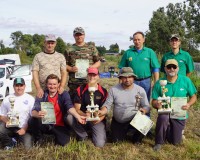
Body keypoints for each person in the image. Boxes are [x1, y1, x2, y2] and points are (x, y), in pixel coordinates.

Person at [152, 59, 197, 151]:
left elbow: (194, 97)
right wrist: (156, 104)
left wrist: (188, 104)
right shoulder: (160, 82)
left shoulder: (186, 80)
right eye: (169, 67)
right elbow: (153, 101)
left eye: (174, 67)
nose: (171, 69)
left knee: (176, 141)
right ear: (165, 69)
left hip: (179, 114)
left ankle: (169, 130)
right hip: (165, 112)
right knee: (163, 117)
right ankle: (159, 142)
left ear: (178, 68)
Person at [29, 74, 85, 146]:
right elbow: (34, 110)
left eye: (54, 84)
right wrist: (37, 114)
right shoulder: (42, 94)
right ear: (46, 84)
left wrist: (77, 116)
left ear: (58, 84)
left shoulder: (64, 94)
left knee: (64, 143)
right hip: (46, 124)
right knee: (32, 120)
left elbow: (69, 106)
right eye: (50, 84)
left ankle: (57, 136)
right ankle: (38, 139)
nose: (52, 86)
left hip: (60, 125)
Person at [99, 67, 150, 143]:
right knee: (116, 141)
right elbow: (107, 104)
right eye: (124, 77)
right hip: (119, 121)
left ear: (133, 78)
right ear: (121, 78)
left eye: (130, 77)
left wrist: (144, 110)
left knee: (146, 123)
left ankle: (136, 139)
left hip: (134, 118)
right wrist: (102, 111)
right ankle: (122, 133)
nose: (127, 80)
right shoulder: (114, 89)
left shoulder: (140, 90)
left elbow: (147, 106)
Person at [66, 67, 107, 147]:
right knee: (69, 117)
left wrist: (99, 118)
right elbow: (77, 109)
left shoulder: (103, 91)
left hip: (97, 119)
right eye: (90, 75)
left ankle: (94, 131)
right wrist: (85, 115)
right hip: (83, 118)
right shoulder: (80, 90)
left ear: (98, 76)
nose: (92, 77)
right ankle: (83, 135)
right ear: (87, 76)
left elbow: (105, 110)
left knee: (100, 144)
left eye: (94, 75)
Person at [118, 31, 160, 102]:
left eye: (139, 39)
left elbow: (155, 68)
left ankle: (146, 113)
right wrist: (120, 83)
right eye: (135, 40)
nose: (137, 41)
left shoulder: (150, 52)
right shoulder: (128, 53)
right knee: (132, 102)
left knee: (145, 102)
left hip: (146, 81)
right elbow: (122, 69)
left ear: (143, 40)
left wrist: (156, 83)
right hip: (132, 81)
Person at [64, 27, 101, 100]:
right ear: (74, 36)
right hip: (74, 84)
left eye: (80, 34)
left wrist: (92, 67)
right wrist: (71, 68)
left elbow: (98, 62)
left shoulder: (91, 48)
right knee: (74, 105)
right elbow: (64, 65)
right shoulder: (69, 49)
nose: (79, 36)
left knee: (89, 103)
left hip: (89, 82)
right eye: (77, 35)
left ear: (84, 35)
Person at [0, 78, 35, 150]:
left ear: (24, 86)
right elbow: (1, 115)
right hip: (10, 127)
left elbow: (32, 118)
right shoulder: (7, 99)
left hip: (24, 127)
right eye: (17, 85)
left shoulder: (30, 99)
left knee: (27, 147)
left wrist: (24, 129)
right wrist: (7, 121)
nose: (19, 88)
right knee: (0, 129)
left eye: (21, 85)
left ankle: (16, 139)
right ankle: (9, 143)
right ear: (13, 87)